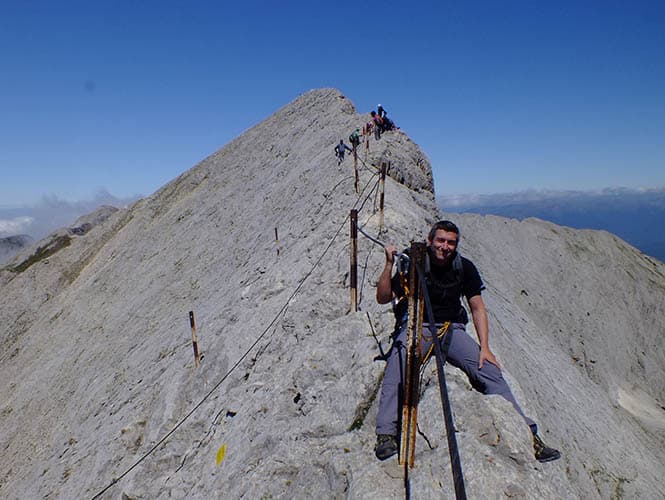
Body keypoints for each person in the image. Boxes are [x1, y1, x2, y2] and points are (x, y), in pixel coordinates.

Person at [374, 220, 561, 463]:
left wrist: (485, 348)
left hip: (452, 330)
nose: (445, 246)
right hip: (417, 327)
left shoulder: (464, 268)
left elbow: (478, 308)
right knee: (396, 368)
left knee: (490, 372)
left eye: (451, 242)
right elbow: (383, 297)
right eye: (440, 240)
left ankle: (529, 436)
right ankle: (386, 433)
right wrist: (389, 264)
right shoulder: (413, 261)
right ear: (430, 241)